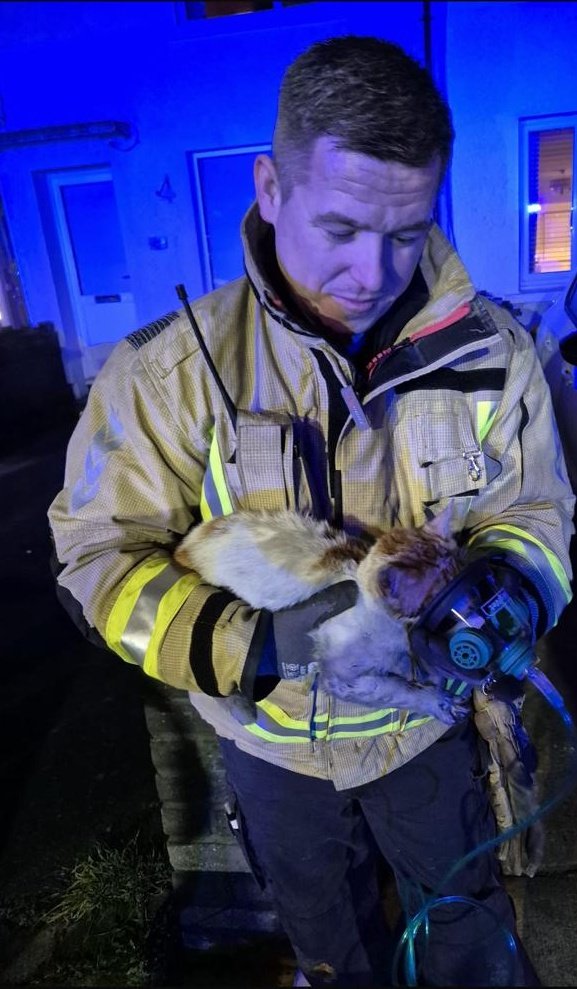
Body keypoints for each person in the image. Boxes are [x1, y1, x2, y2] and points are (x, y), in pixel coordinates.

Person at [48, 35, 575, 987]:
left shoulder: (496, 354)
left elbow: (535, 510)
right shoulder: (164, 374)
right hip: (272, 751)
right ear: (269, 187)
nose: (371, 272)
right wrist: (235, 642)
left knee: (466, 939)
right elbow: (95, 555)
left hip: (423, 736)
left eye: (407, 231)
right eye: (338, 228)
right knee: (334, 956)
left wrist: (510, 588)